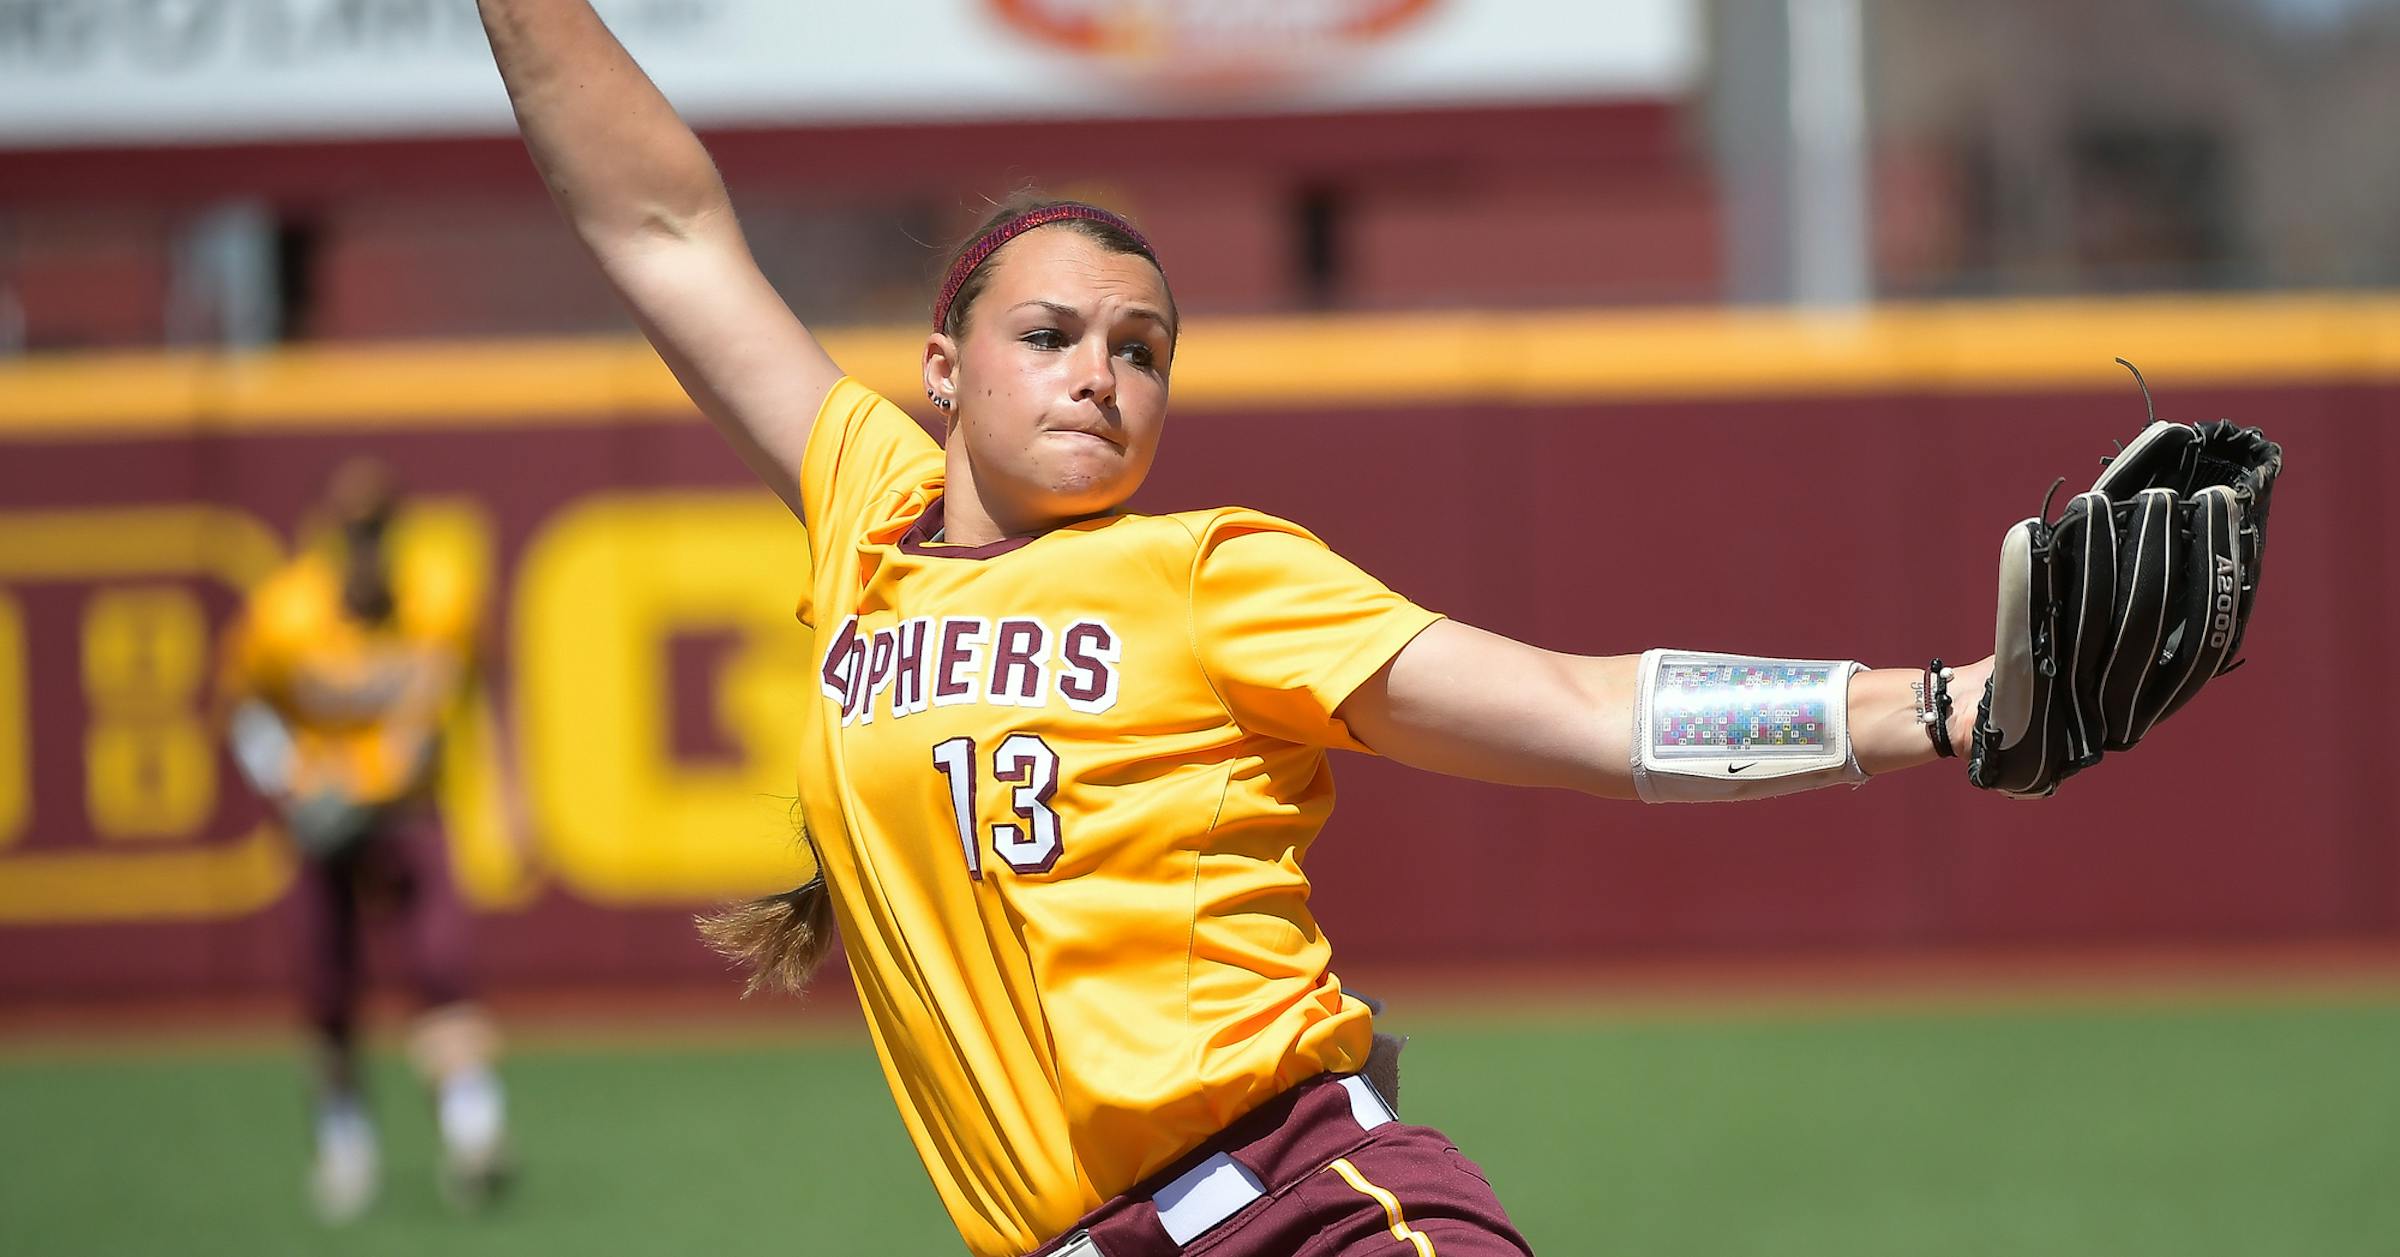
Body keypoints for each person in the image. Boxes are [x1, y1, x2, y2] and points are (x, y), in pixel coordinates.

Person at [477, 5, 1996, 1253]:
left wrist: (1947, 705)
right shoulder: (866, 518)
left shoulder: (1207, 571)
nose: (1099, 374)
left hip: (1299, 1215)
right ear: (941, 370)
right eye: (1050, 334)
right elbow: (659, 220)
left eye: (1141, 350)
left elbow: (1588, 713)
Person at [217, 458, 512, 1223]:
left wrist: (503, 787)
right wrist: (290, 781)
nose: (368, 547)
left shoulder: (438, 599)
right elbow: (245, 708)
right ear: (330, 538)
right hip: (323, 823)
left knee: (442, 969)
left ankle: (474, 1133)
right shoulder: (285, 613)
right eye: (355, 532)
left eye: (378, 531)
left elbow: (472, 686)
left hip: (408, 812)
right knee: (326, 989)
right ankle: (345, 1144)